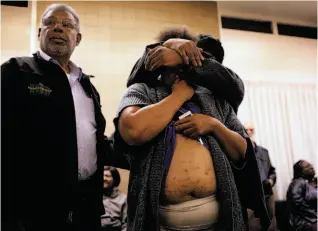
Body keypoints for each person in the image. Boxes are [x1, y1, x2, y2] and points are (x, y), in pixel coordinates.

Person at [113, 28, 272, 231]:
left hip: (219, 220)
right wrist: (178, 96)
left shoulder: (214, 98)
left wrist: (213, 125)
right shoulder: (142, 91)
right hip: (160, 222)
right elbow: (132, 131)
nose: (177, 70)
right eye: (171, 62)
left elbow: (243, 151)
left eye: (183, 62)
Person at [2, 4, 112, 231]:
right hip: (31, 210)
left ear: (78, 38)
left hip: (84, 208)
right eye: (50, 23)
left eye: (67, 25)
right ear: (39, 33)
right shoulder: (16, 71)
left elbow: (95, 142)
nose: (58, 29)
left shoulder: (87, 86)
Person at [126, 25, 245, 114]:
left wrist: (182, 57)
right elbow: (134, 81)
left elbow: (235, 86)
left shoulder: (214, 98)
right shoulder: (150, 91)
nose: (177, 74)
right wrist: (168, 44)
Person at [244, 123, 278, 231]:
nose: (249, 132)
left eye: (251, 130)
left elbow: (272, 171)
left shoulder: (264, 152)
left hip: (267, 193)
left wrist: (271, 181)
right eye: (246, 130)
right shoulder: (240, 152)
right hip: (251, 197)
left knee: (271, 223)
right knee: (254, 226)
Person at [287, 160, 317, 231]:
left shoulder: (314, 182)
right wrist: (315, 216)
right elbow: (298, 203)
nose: (311, 168)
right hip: (306, 221)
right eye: (307, 167)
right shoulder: (297, 183)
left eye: (311, 165)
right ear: (300, 171)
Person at [101, 166, 127, 231]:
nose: (104, 178)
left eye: (107, 176)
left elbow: (126, 223)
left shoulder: (123, 198)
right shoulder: (93, 197)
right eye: (102, 175)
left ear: (114, 179)